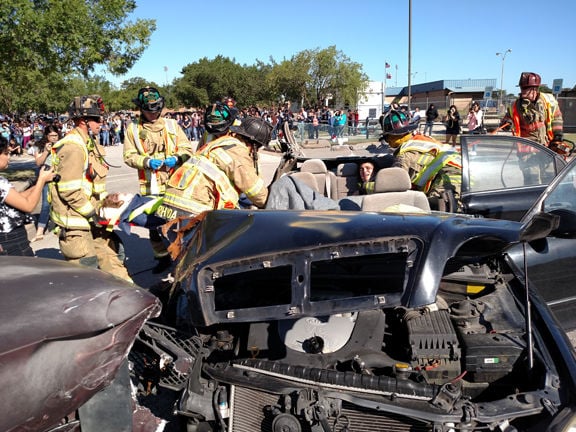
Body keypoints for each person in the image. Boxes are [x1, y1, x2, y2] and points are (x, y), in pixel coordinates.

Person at [49, 95, 133, 283]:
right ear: (82, 121)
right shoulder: (73, 148)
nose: (100, 123)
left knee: (112, 259)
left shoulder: (89, 143)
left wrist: (108, 206)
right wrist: (92, 213)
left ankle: (131, 299)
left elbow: (94, 183)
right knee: (85, 276)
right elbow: (68, 190)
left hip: (92, 216)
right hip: (76, 223)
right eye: (96, 119)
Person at [123, 86, 194, 273]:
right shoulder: (133, 129)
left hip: (175, 184)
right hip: (151, 187)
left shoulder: (172, 125)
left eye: (156, 111)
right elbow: (128, 156)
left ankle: (183, 257)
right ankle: (162, 258)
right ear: (141, 109)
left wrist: (177, 159)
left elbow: (187, 150)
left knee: (179, 222)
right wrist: (146, 161)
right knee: (154, 226)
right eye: (148, 111)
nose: (153, 115)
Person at [158, 115, 272, 222]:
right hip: (191, 210)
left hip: (168, 207)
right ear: (254, 144)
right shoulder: (238, 152)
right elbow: (254, 190)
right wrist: (272, 203)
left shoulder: (222, 142)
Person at [381, 109, 462, 212]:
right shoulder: (421, 139)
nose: (388, 142)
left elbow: (395, 185)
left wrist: (366, 186)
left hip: (448, 181)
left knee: (437, 215)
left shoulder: (405, 155)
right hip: (465, 176)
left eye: (387, 138)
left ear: (391, 137)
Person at [500, 72, 564, 184]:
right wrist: (507, 122)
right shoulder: (515, 106)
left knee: (550, 178)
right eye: (522, 88)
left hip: (548, 148)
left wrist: (557, 136)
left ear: (535, 89)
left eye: (526, 88)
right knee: (532, 180)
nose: (522, 91)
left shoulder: (548, 100)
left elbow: (557, 117)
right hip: (527, 152)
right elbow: (506, 120)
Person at [0, 135, 55, 256]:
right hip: (11, 239)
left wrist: (42, 182)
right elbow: (28, 206)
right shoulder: (0, 183)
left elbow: (17, 198)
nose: (9, 157)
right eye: (5, 153)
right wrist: (41, 180)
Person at [32, 125, 60, 241]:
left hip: (59, 173)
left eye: (56, 135)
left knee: (60, 200)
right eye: (51, 136)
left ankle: (59, 224)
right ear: (46, 136)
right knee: (46, 203)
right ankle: (40, 230)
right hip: (46, 174)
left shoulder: (61, 144)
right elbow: (38, 163)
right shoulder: (39, 145)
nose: (54, 138)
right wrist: (46, 151)